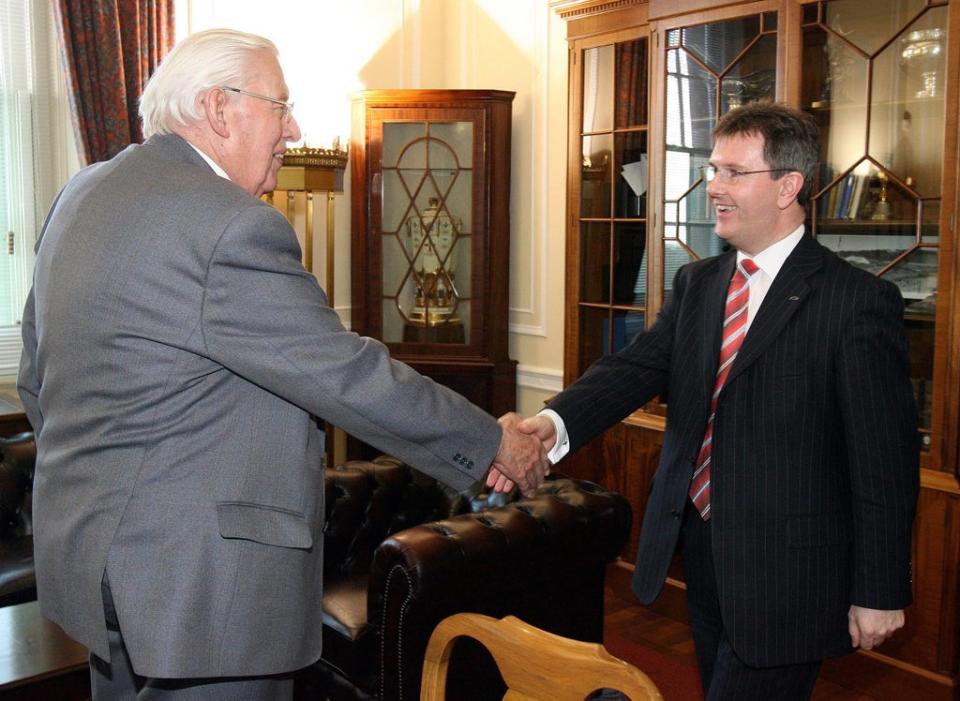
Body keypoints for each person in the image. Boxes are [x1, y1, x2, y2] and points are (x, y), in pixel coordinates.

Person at [18, 29, 547, 701]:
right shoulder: (227, 225)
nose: (294, 128)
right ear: (219, 109)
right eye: (281, 105)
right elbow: (348, 376)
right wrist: (493, 442)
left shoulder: (82, 193)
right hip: (203, 592)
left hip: (97, 572)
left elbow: (39, 375)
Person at [500, 102, 919, 699]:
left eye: (731, 172)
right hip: (703, 548)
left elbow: (885, 461)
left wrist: (878, 589)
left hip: (791, 574)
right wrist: (551, 423)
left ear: (787, 186)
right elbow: (635, 367)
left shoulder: (856, 301)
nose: (712, 187)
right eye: (712, 169)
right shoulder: (699, 282)